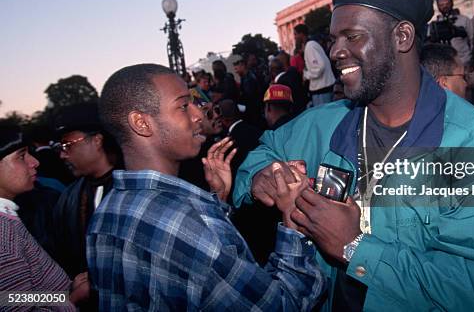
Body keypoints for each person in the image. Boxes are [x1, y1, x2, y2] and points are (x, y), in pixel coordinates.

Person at [233, 0, 474, 311]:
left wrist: (355, 247)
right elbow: (262, 152)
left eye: (352, 37)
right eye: (334, 39)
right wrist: (263, 177)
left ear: (403, 37)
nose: (336, 51)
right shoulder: (322, 123)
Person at [88, 63, 324, 310]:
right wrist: (294, 220)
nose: (199, 114)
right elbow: (282, 304)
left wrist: (216, 201)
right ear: (141, 123)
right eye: (182, 106)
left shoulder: (103, 214)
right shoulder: (190, 224)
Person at [0, 124, 90, 310]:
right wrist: (72, 299)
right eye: (21, 156)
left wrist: (66, 291)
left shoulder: (8, 218)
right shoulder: (3, 237)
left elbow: (19, 297)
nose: (35, 162)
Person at [51, 103, 122, 280]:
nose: (63, 155)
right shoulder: (68, 198)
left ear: (97, 140)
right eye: (60, 147)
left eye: (68, 145)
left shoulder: (133, 186)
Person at [429, 0, 474, 67]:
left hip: (464, 62)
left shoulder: (464, 20)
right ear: (438, 6)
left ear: (452, 3)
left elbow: (472, 40)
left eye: (447, 3)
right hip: (446, 65)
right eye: (441, 5)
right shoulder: (435, 25)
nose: (445, 6)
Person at [295, 24, 336, 106]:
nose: (294, 37)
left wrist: (306, 75)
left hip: (321, 90)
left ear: (301, 34)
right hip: (323, 89)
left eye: (295, 34)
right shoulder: (311, 44)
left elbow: (319, 67)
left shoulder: (310, 46)